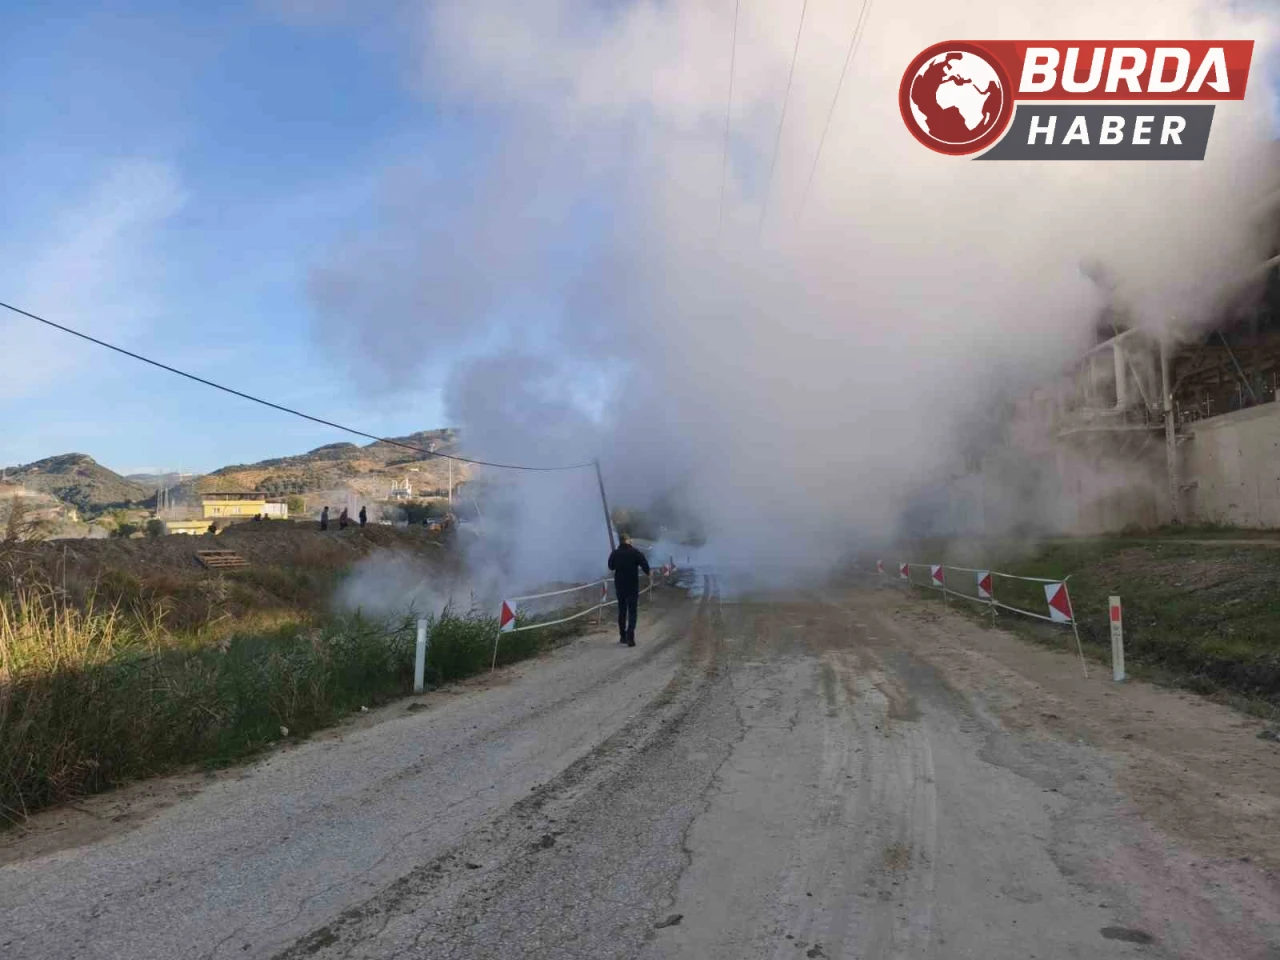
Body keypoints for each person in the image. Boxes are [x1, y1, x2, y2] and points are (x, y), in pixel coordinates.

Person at [607, 532, 649, 647]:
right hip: (632, 586)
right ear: (627, 540)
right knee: (632, 612)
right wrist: (649, 574)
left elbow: (611, 567)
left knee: (622, 611)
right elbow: (645, 565)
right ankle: (630, 636)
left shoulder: (615, 553)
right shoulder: (635, 552)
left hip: (620, 586)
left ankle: (622, 636)